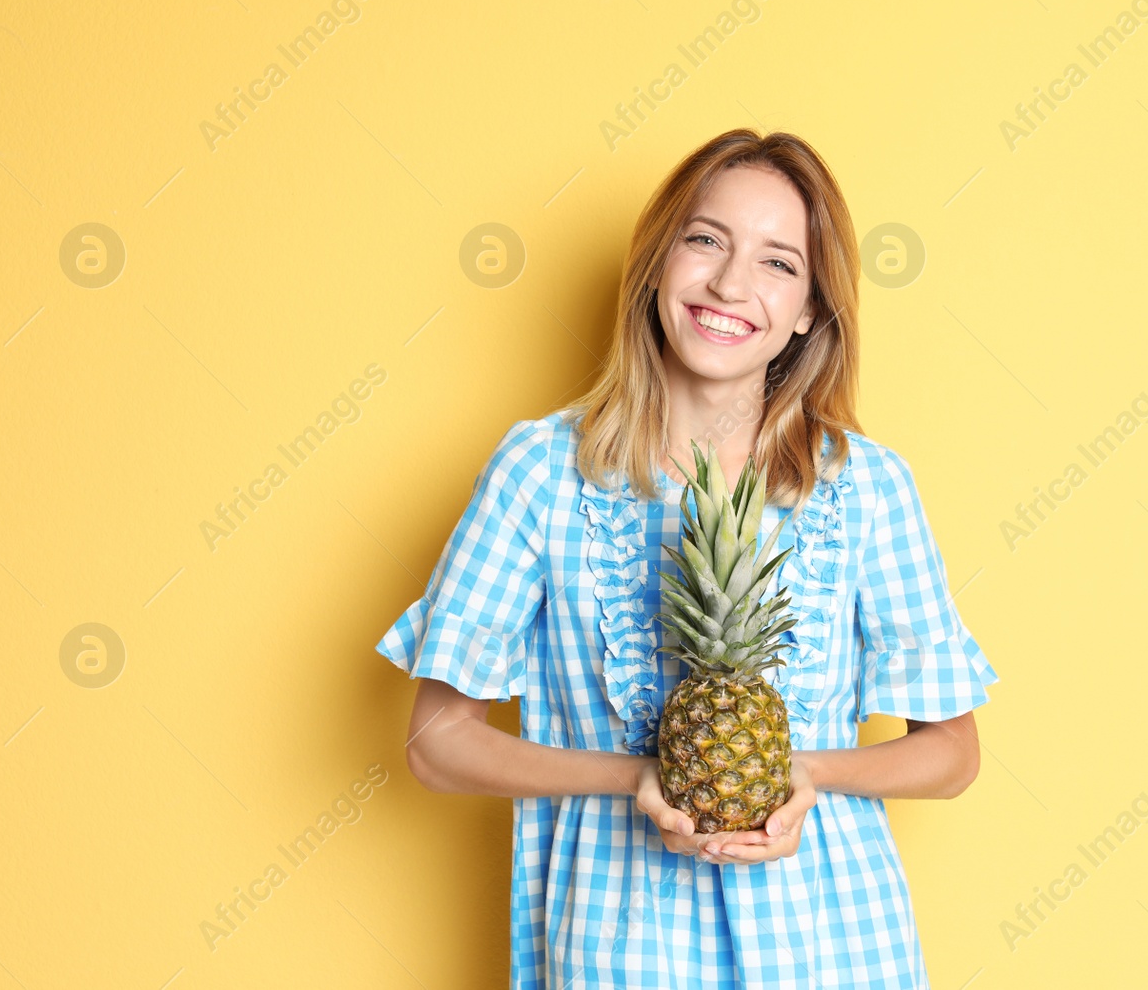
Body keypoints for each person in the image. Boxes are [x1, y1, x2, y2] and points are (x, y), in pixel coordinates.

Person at [374, 128, 1000, 988]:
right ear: (659, 262)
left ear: (812, 307)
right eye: (706, 240)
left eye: (780, 263)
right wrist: (636, 775)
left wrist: (806, 770)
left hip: (836, 944)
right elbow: (437, 742)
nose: (731, 285)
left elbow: (953, 753)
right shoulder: (542, 471)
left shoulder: (866, 486)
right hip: (619, 944)